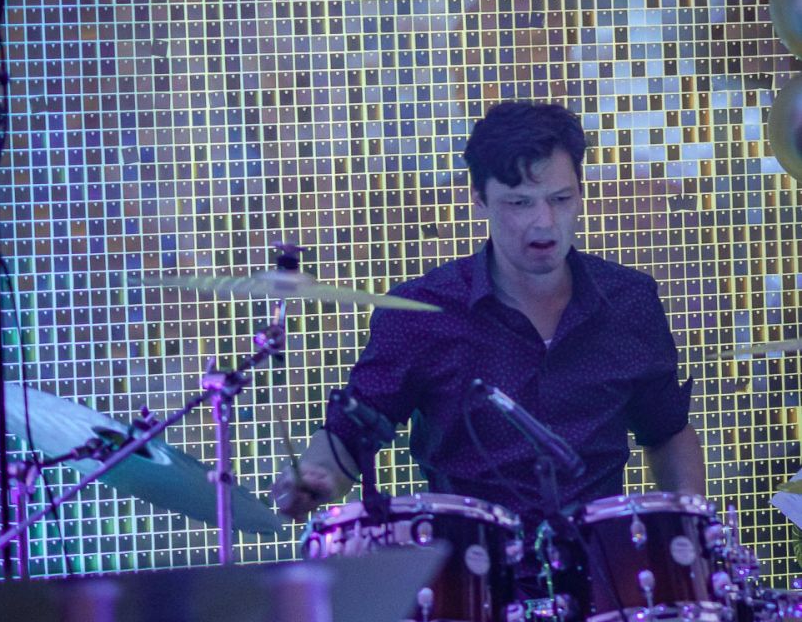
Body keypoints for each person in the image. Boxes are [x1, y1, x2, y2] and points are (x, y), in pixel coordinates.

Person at [272, 100, 704, 524]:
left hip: (599, 560)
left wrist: (695, 528)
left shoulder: (629, 301)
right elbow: (350, 434)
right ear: (479, 198)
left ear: (580, 191)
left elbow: (666, 430)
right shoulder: (422, 311)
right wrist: (315, 477)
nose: (545, 222)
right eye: (520, 203)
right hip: (469, 558)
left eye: (560, 199)